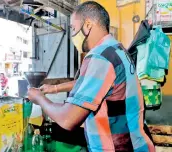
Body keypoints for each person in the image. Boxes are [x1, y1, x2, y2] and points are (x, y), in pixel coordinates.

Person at [28, 1, 155, 152]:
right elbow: (94, 83)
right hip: (137, 143)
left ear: (87, 25)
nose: (73, 35)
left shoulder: (99, 57)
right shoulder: (116, 49)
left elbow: (68, 120)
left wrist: (39, 99)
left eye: (74, 28)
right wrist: (54, 88)